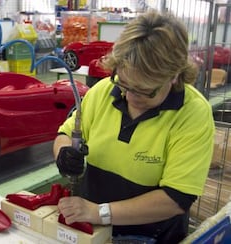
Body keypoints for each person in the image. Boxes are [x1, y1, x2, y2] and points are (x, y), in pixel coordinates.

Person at [54, 10, 215, 243]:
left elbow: (175, 198)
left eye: (142, 90)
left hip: (151, 236)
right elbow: (65, 133)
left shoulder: (192, 114)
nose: (128, 97)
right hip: (93, 231)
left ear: (174, 76)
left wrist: (99, 212)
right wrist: (63, 152)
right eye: (125, 84)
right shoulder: (104, 91)